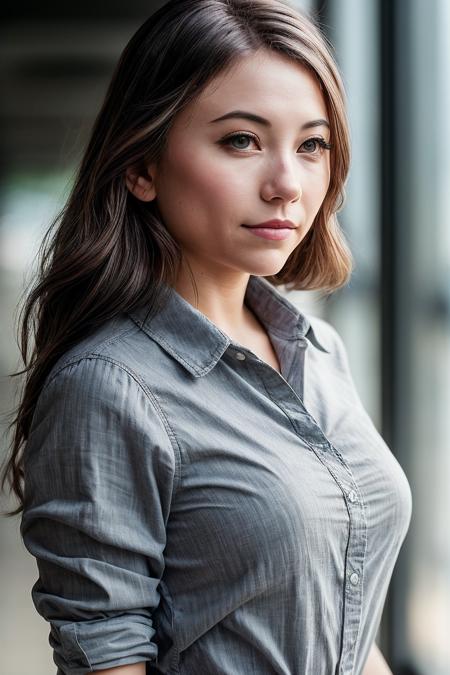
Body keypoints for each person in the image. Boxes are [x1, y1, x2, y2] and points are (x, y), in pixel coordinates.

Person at [0, 1, 412, 673]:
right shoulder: (109, 386)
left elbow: (347, 612)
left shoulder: (320, 350)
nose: (286, 184)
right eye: (241, 141)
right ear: (142, 167)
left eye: (311, 145)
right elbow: (108, 658)